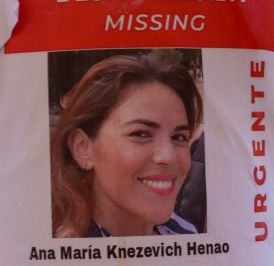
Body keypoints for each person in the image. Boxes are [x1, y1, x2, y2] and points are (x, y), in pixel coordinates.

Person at [50, 54, 202, 238]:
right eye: (141, 134)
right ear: (83, 148)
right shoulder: (57, 258)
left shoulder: (184, 231)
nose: (168, 156)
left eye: (179, 137)